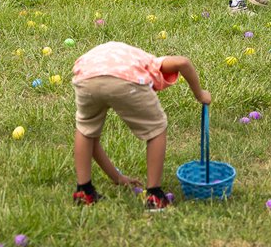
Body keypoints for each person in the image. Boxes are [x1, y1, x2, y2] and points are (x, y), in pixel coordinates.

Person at [71, 41, 209, 210]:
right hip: (125, 79)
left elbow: (92, 143)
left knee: (85, 131)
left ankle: (84, 192)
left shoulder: (131, 57)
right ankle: (154, 195)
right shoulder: (153, 63)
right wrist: (200, 94)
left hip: (86, 74)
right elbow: (183, 62)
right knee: (157, 129)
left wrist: (117, 177)